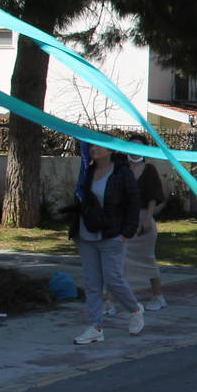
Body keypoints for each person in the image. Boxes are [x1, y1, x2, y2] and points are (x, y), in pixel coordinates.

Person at [68, 141, 145, 344]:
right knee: (92, 284)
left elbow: (133, 203)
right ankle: (95, 327)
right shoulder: (87, 171)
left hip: (112, 235)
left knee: (113, 279)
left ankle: (135, 309)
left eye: (98, 146)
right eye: (91, 147)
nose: (93, 149)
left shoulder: (121, 173)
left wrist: (126, 233)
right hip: (86, 235)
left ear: (110, 150)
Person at [122, 133, 168, 310]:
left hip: (142, 219)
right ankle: (108, 299)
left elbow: (153, 197)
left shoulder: (149, 170)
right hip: (124, 220)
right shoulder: (122, 169)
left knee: (148, 259)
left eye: (138, 147)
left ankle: (158, 296)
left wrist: (147, 218)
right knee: (117, 260)